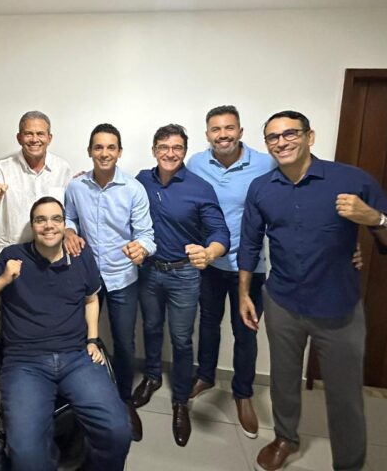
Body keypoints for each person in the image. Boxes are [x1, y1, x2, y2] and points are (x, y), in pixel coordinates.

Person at [239, 110, 387, 471]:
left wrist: (375, 219)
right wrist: (244, 293)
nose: (281, 142)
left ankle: (349, 464)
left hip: (338, 306)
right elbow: (250, 243)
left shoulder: (350, 179)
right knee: (283, 381)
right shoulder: (261, 187)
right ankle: (285, 438)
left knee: (344, 394)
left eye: (290, 133)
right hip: (282, 301)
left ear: (310, 137)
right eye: (273, 137)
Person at [0, 197, 131, 471]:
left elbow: (91, 298)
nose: (49, 225)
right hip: (25, 362)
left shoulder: (80, 255)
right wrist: (3, 279)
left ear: (64, 224)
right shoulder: (12, 256)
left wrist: (92, 339)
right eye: (40, 220)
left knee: (118, 431)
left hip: (76, 357)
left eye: (56, 219)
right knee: (27, 453)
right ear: (32, 226)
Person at [133, 124, 230, 447]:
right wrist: (87, 180)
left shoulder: (200, 187)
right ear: (154, 150)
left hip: (184, 275)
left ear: (185, 151)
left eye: (176, 147)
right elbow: (117, 198)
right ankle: (151, 377)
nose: (169, 153)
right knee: (150, 328)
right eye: (163, 147)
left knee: (181, 339)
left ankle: (180, 401)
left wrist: (210, 252)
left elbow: (220, 232)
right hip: (149, 271)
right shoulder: (141, 181)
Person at [185, 105, 275, 438]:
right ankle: (205, 376)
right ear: (207, 134)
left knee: (245, 332)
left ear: (240, 131)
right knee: (208, 325)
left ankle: (243, 393)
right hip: (209, 265)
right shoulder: (196, 163)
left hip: (249, 268)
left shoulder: (265, 163)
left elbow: (299, 183)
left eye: (229, 128)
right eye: (216, 129)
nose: (222, 135)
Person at [63, 123, 156, 441]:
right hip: (87, 276)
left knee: (124, 342)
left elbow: (146, 234)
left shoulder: (133, 189)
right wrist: (69, 230)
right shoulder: (76, 187)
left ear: (119, 152)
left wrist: (141, 248)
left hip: (122, 277)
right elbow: (69, 216)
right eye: (98, 147)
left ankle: (123, 400)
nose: (104, 153)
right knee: (79, 337)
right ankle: (80, 400)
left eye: (111, 147)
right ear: (90, 151)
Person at [0, 111, 72, 258]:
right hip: (11, 255)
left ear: (49, 138)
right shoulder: (2, 168)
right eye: (28, 134)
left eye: (40, 134)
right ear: (19, 138)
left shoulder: (63, 168)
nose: (34, 139)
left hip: (51, 256)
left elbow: (70, 213)